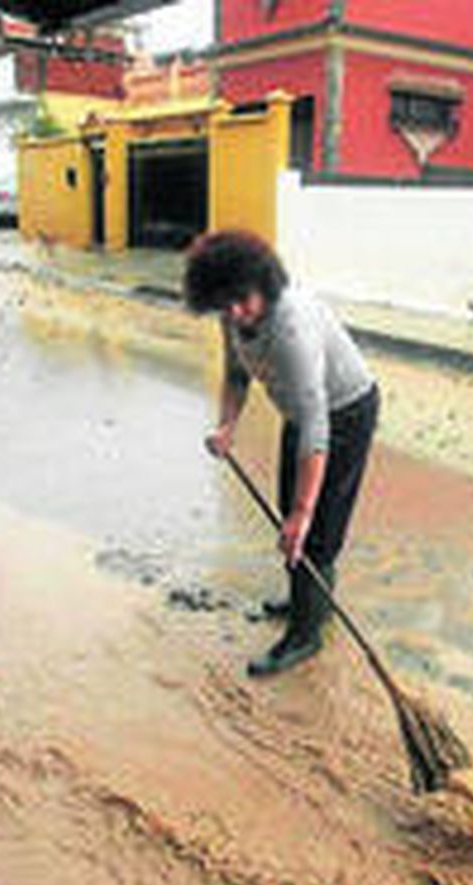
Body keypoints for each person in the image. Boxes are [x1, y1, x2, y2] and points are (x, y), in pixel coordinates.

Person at [185, 229, 381, 677]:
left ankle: (305, 634)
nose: (236, 313)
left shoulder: (291, 326)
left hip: (344, 413)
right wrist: (226, 426)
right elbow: (237, 375)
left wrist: (304, 509)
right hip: (300, 414)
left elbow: (317, 422)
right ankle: (307, 601)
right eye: (224, 305)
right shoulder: (233, 315)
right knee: (287, 516)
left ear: (264, 284)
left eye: (243, 300)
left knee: (314, 529)